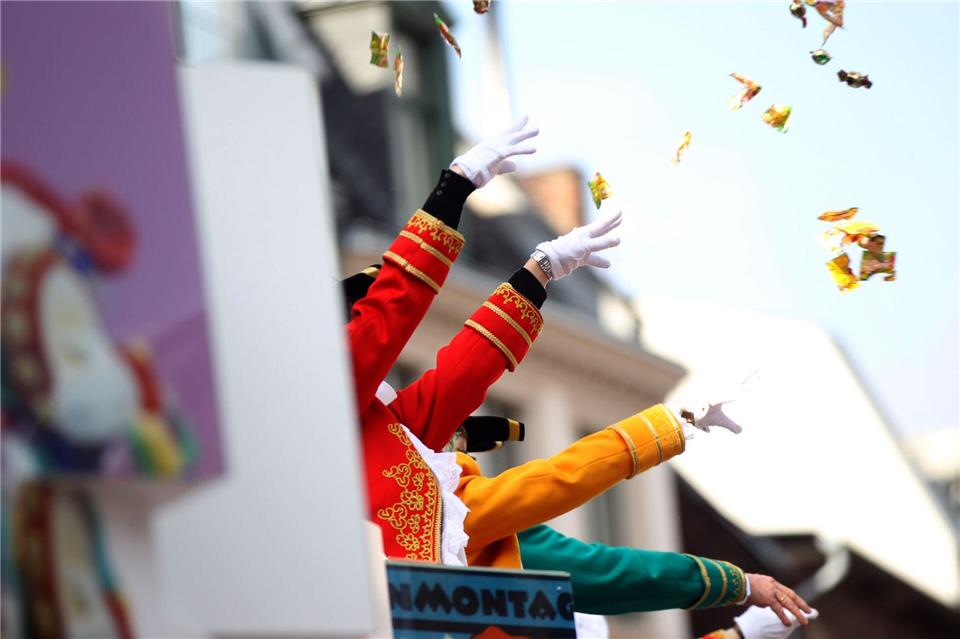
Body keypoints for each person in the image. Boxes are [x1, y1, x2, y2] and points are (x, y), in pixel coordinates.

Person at [344, 117, 622, 563]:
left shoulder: (380, 420)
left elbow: (460, 375)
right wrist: (452, 189)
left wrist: (540, 271)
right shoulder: (329, 391)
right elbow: (391, 309)